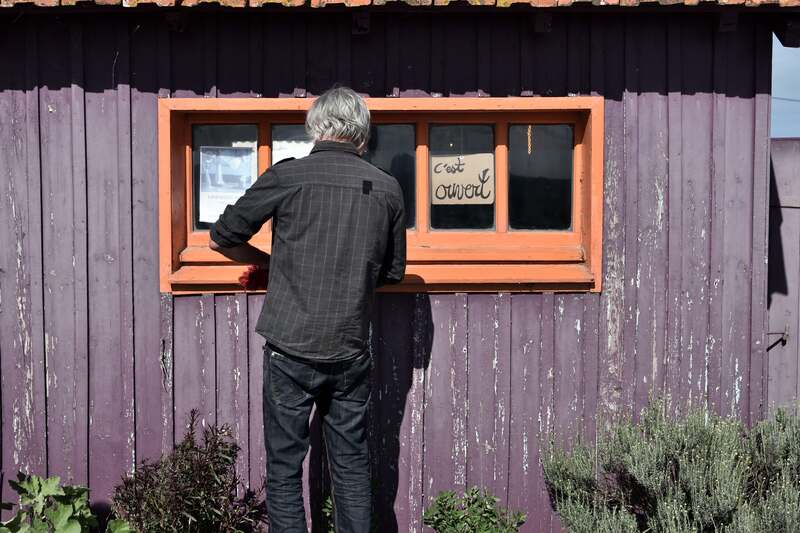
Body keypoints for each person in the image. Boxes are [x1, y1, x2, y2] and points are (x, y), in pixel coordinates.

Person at [209, 86, 406, 533]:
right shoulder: (388, 188)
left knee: (284, 468)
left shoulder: (288, 176)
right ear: (361, 132)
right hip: (350, 348)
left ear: (317, 126)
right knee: (352, 465)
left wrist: (268, 262)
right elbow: (392, 273)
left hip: (289, 347)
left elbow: (223, 236)